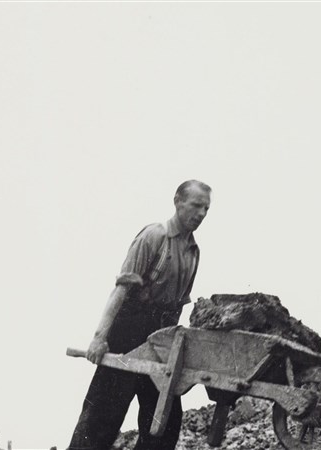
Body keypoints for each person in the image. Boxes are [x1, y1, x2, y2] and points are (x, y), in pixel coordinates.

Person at [69, 180, 212, 450]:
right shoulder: (153, 237)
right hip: (129, 331)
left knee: (165, 422)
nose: (201, 213)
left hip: (163, 338)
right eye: (196, 205)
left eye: (206, 208)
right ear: (177, 201)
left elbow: (179, 304)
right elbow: (121, 291)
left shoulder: (193, 252)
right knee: (102, 417)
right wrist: (99, 338)